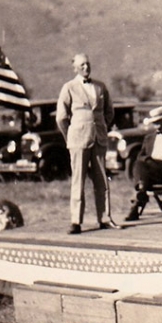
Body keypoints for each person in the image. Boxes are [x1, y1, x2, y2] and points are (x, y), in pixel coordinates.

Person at [56, 53, 117, 234]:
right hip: (78, 141)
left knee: (101, 180)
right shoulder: (69, 88)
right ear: (74, 68)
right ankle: (76, 221)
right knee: (78, 180)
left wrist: (101, 126)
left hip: (98, 138)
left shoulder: (100, 87)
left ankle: (105, 218)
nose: (86, 68)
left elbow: (109, 112)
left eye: (88, 64)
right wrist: (71, 136)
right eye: (81, 65)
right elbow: (61, 118)